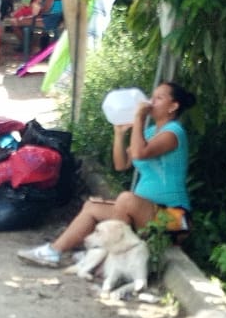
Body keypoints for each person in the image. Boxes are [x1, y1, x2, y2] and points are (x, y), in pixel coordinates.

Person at [18, 81, 194, 267]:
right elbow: (121, 164)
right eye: (153, 96)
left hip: (174, 219)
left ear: (173, 107)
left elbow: (139, 153)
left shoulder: (174, 132)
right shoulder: (150, 132)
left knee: (126, 199)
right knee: (92, 207)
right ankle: (53, 252)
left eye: (159, 98)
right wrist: (119, 133)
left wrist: (139, 119)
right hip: (146, 213)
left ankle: (103, 257)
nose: (151, 102)